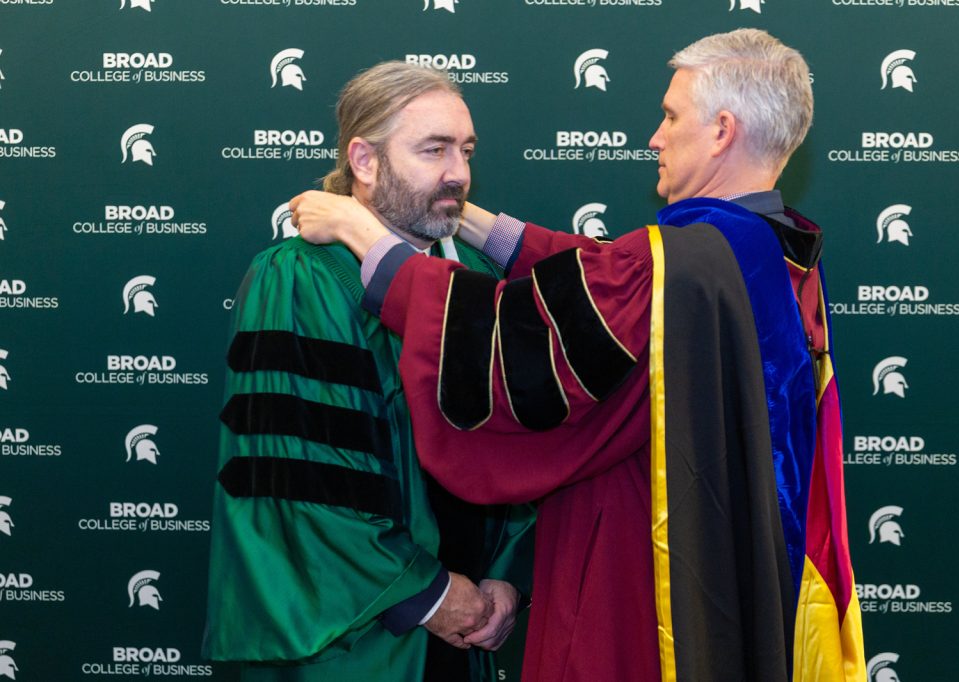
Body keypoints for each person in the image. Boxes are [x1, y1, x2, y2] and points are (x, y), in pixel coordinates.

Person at [292, 28, 866, 682]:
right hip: (741, 581)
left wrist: (361, 232)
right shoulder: (775, 253)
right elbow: (597, 282)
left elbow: (522, 343)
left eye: (671, 115)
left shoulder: (685, 265)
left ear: (721, 131)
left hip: (641, 596)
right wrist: (465, 217)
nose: (655, 135)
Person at [203, 61, 533, 682]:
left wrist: (507, 579)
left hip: (472, 636)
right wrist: (430, 595)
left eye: (465, 150)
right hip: (362, 642)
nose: (458, 173)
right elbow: (300, 481)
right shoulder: (302, 279)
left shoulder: (480, 284)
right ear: (364, 159)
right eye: (432, 150)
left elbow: (525, 452)